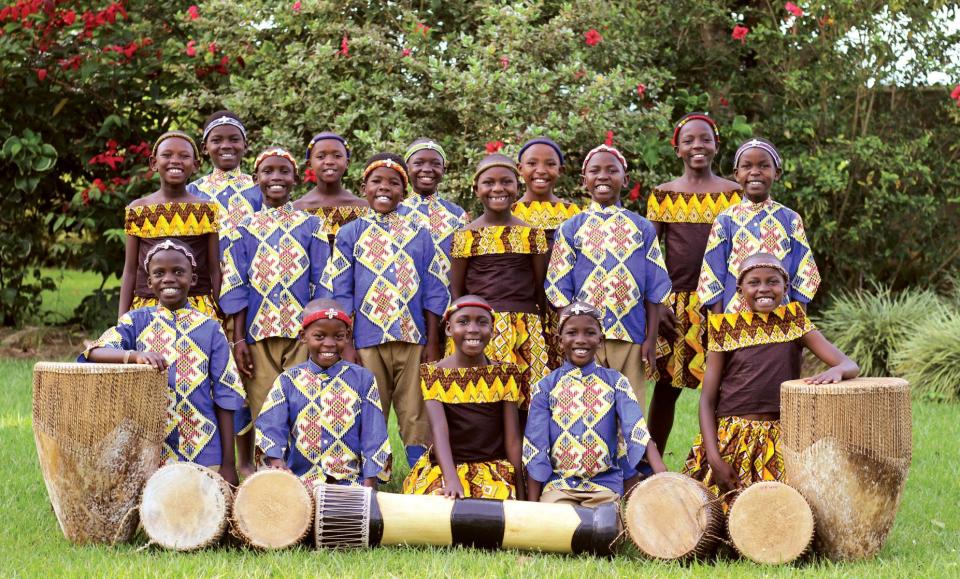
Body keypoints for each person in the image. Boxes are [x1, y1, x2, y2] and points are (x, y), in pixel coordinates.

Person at [683, 253, 858, 501]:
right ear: (740, 289)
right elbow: (707, 400)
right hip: (733, 439)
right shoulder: (725, 328)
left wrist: (836, 370)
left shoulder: (794, 323)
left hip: (780, 439)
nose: (763, 289)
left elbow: (849, 364)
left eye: (772, 282)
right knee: (711, 517)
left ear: (785, 287)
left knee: (784, 515)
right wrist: (714, 458)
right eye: (754, 282)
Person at [80, 240, 246, 485]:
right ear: (149, 283)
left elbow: (226, 396)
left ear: (192, 278)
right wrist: (133, 356)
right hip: (151, 451)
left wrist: (229, 465)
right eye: (159, 273)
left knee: (204, 513)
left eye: (178, 272)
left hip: (204, 448)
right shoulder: (136, 321)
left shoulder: (211, 329)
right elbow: (94, 351)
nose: (168, 279)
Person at [323, 153, 449, 467]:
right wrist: (347, 343)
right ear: (363, 187)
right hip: (366, 341)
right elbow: (342, 291)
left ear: (403, 192)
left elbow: (434, 290)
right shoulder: (350, 234)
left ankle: (418, 477)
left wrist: (433, 342)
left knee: (415, 412)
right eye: (377, 181)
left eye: (394, 183)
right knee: (367, 407)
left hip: (413, 339)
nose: (385, 188)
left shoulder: (420, 234)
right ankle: (368, 478)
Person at [220, 147, 330, 477]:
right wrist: (238, 340)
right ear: (256, 180)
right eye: (268, 172)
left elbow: (322, 280)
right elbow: (236, 285)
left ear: (295, 179)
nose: (276, 178)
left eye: (284, 171)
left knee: (303, 401)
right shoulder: (242, 228)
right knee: (264, 406)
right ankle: (267, 480)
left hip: (301, 334)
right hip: (257, 335)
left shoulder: (311, 225)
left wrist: (318, 333)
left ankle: (305, 476)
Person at [546, 144, 672, 409]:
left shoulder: (642, 228)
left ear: (625, 180)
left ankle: (630, 452)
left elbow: (654, 287)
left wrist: (650, 339)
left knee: (629, 407)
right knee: (587, 408)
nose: (603, 176)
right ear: (584, 181)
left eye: (611, 170)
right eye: (595, 171)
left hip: (631, 334)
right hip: (586, 337)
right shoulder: (571, 228)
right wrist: (572, 334)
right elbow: (559, 287)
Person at [646, 113, 742, 452]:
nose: (697, 145)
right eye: (689, 140)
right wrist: (658, 302)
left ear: (716, 145)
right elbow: (648, 252)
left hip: (722, 302)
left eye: (705, 139)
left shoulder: (734, 194)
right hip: (676, 304)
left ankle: (719, 456)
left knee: (723, 386)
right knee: (666, 387)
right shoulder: (664, 195)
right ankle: (651, 464)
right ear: (677, 149)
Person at [523, 302, 666, 506]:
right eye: (572, 332)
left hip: (604, 486)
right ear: (559, 341)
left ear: (600, 340)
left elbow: (635, 428)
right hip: (560, 486)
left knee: (604, 528)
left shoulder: (616, 382)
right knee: (558, 525)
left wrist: (660, 470)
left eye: (590, 333)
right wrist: (532, 508)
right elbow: (535, 446)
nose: (581, 340)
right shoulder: (545, 387)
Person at [449, 153, 550, 416]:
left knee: (530, 398)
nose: (497, 189)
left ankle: (527, 455)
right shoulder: (465, 235)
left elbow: (539, 287)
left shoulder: (532, 234)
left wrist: (540, 327)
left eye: (506, 182)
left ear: (517, 187)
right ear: (476, 189)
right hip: (482, 326)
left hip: (525, 325)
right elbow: (457, 291)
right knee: (485, 397)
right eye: (488, 183)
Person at [255, 299, 391, 487]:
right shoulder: (288, 381)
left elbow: (373, 435)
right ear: (303, 336)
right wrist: (279, 468)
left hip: (351, 484)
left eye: (338, 336)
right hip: (300, 484)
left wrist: (368, 485)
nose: (329, 344)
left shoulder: (363, 379)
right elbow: (270, 429)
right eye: (319, 336)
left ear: (348, 336)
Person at [403, 296, 525, 499]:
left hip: (491, 466)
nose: (473, 329)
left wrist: (519, 486)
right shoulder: (435, 374)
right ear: (449, 329)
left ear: (492, 330)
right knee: (434, 505)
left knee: (498, 508)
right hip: (447, 465)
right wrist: (451, 478)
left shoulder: (505, 374)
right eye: (463, 321)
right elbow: (439, 430)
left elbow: (512, 439)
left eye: (482, 322)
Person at [698, 137, 820, 314]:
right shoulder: (725, 220)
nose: (755, 172)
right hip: (735, 319)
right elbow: (713, 275)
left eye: (763, 166)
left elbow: (804, 274)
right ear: (736, 173)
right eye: (747, 166)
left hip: (782, 319)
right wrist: (720, 324)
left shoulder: (790, 219)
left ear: (776, 173)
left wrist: (798, 324)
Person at [119, 131, 221, 318]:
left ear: (196, 165)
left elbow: (214, 269)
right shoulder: (138, 210)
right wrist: (122, 319)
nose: (175, 161)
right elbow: (130, 269)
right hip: (148, 308)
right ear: (154, 163)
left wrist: (220, 314)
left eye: (184, 156)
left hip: (197, 308)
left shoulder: (206, 210)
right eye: (167, 155)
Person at [512, 137, 580, 368]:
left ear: (560, 170)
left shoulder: (572, 214)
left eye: (549, 164)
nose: (541, 170)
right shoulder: (509, 213)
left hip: (563, 306)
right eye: (532, 163)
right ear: (520, 169)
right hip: (524, 306)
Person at [187, 111, 262, 255]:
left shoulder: (259, 188)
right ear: (204, 148)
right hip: (205, 275)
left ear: (245, 146)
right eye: (217, 140)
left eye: (234, 140)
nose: (226, 145)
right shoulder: (192, 191)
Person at [292, 132, 368, 243]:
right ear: (309, 164)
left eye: (337, 156)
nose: (329, 162)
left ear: (347, 163)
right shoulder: (297, 209)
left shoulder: (364, 209)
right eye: (320, 157)